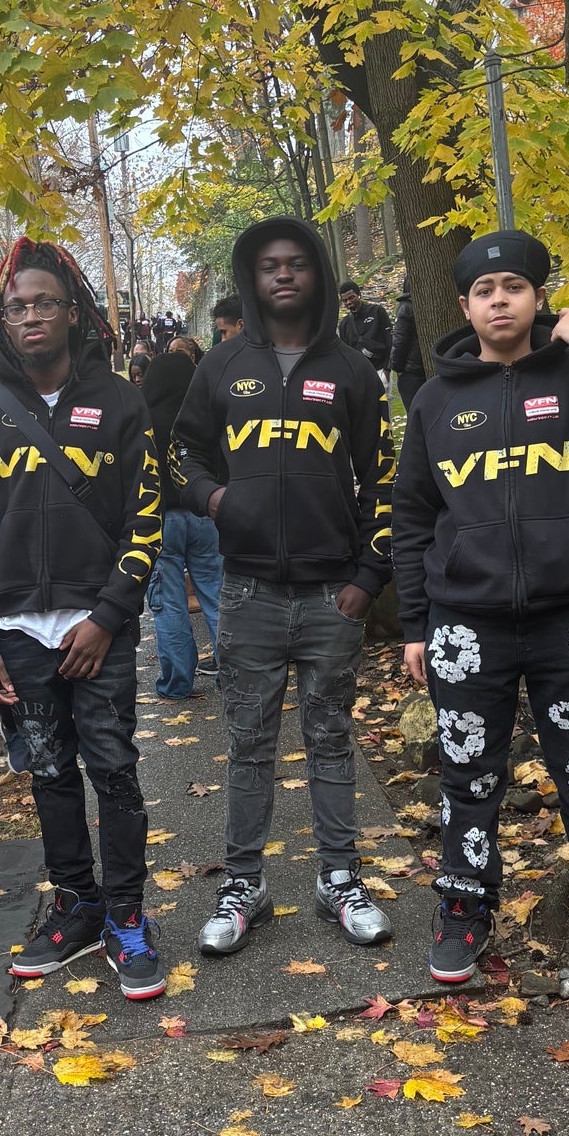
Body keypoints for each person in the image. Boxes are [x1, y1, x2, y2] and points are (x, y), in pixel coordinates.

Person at [392, 227, 569, 984]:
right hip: (465, 626)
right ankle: (464, 908)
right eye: (484, 291)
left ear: (538, 298)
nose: (500, 300)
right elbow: (413, 516)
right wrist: (415, 623)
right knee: (468, 777)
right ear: (464, 306)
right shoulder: (434, 400)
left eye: (514, 287)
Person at [171, 217, 395, 955]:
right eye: (269, 265)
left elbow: (383, 479)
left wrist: (369, 576)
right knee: (248, 745)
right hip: (248, 594)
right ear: (252, 278)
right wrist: (214, 499)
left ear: (318, 274)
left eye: (297, 262)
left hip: (334, 595)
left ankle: (340, 879)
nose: (284, 274)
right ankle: (244, 885)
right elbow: (181, 451)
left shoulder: (353, 370)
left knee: (331, 739)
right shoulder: (221, 366)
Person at [0, 239, 164, 999]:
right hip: (17, 636)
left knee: (114, 771)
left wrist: (107, 618)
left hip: (98, 632)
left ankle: (127, 915)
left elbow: (146, 521)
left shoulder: (122, 403)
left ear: (74, 314)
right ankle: (77, 906)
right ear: (1, 321)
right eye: (17, 307)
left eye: (45, 302)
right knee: (48, 774)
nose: (31, 315)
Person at [142, 341, 222, 700]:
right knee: (217, 596)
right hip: (205, 515)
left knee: (168, 603)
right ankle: (232, 674)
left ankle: (177, 683)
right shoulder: (204, 418)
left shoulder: (143, 420)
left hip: (160, 521)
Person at [337, 281, 392, 377]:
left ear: (359, 295)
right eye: (345, 300)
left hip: (380, 369)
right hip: (359, 374)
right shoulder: (344, 324)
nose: (348, 302)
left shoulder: (377, 311)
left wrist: (387, 369)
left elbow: (389, 340)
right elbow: (345, 353)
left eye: (351, 298)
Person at [388, 288, 426, 413]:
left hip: (411, 370)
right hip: (421, 365)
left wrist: (396, 367)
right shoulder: (421, 304)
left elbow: (400, 340)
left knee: (415, 413)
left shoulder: (405, 307)